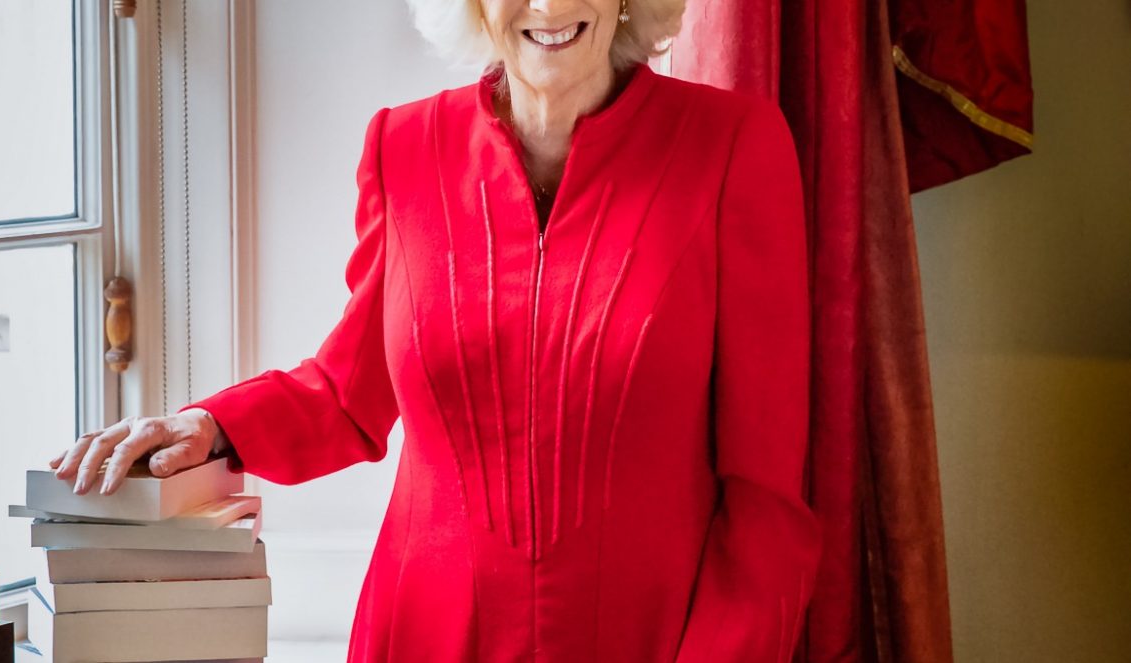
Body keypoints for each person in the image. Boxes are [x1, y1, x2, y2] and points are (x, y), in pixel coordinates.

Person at [50, 0, 824, 660]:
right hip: (421, 632)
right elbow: (347, 394)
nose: (550, 5)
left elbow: (765, 504)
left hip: (654, 637)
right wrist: (209, 423)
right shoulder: (404, 146)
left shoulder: (733, 147)